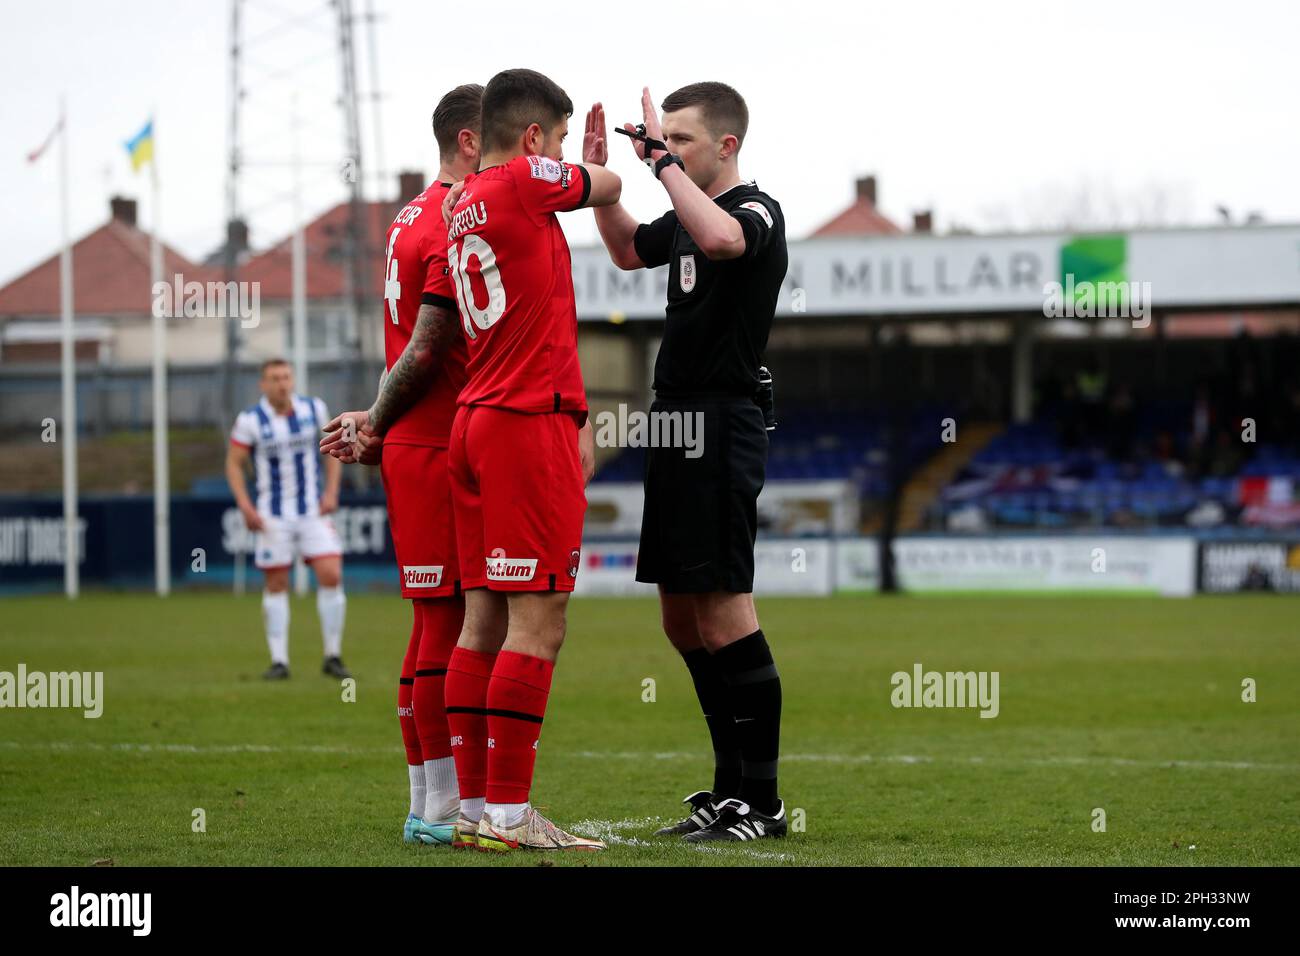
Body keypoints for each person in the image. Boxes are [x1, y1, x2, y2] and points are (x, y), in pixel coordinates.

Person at [326, 68, 621, 853]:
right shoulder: (520, 182)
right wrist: (591, 163)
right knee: (538, 620)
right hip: (525, 422)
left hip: (470, 424)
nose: (558, 152)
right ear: (531, 140)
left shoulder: (451, 210)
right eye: (552, 138)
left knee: (476, 620)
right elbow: (610, 178)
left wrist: (376, 420)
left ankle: (463, 807)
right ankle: (506, 814)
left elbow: (432, 334)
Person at [588, 82, 790, 841]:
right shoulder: (684, 214)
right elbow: (624, 249)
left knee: (723, 607)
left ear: (726, 146)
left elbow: (723, 242)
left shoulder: (755, 211)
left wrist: (659, 166)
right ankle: (728, 786)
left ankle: (763, 804)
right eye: (663, 138)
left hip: (722, 421)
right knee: (680, 618)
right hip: (673, 423)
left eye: (682, 140)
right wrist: (605, 180)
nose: (667, 150)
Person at [325, 84, 482, 847]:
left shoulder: (407, 216)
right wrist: (380, 419)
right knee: (450, 625)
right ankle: (444, 807)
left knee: (430, 626)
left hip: (412, 442)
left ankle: (428, 804)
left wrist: (374, 421)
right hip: (436, 441)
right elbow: (425, 348)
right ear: (468, 142)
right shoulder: (455, 218)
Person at [226, 359, 348, 680]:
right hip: (272, 516)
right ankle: (279, 661)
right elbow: (234, 464)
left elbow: (333, 450)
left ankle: (332, 655)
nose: (282, 383)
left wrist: (332, 491)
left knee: (331, 573)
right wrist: (245, 505)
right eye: (275, 378)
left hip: (312, 511)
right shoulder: (250, 420)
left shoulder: (313, 409)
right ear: (262, 385)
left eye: (286, 377)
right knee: (277, 582)